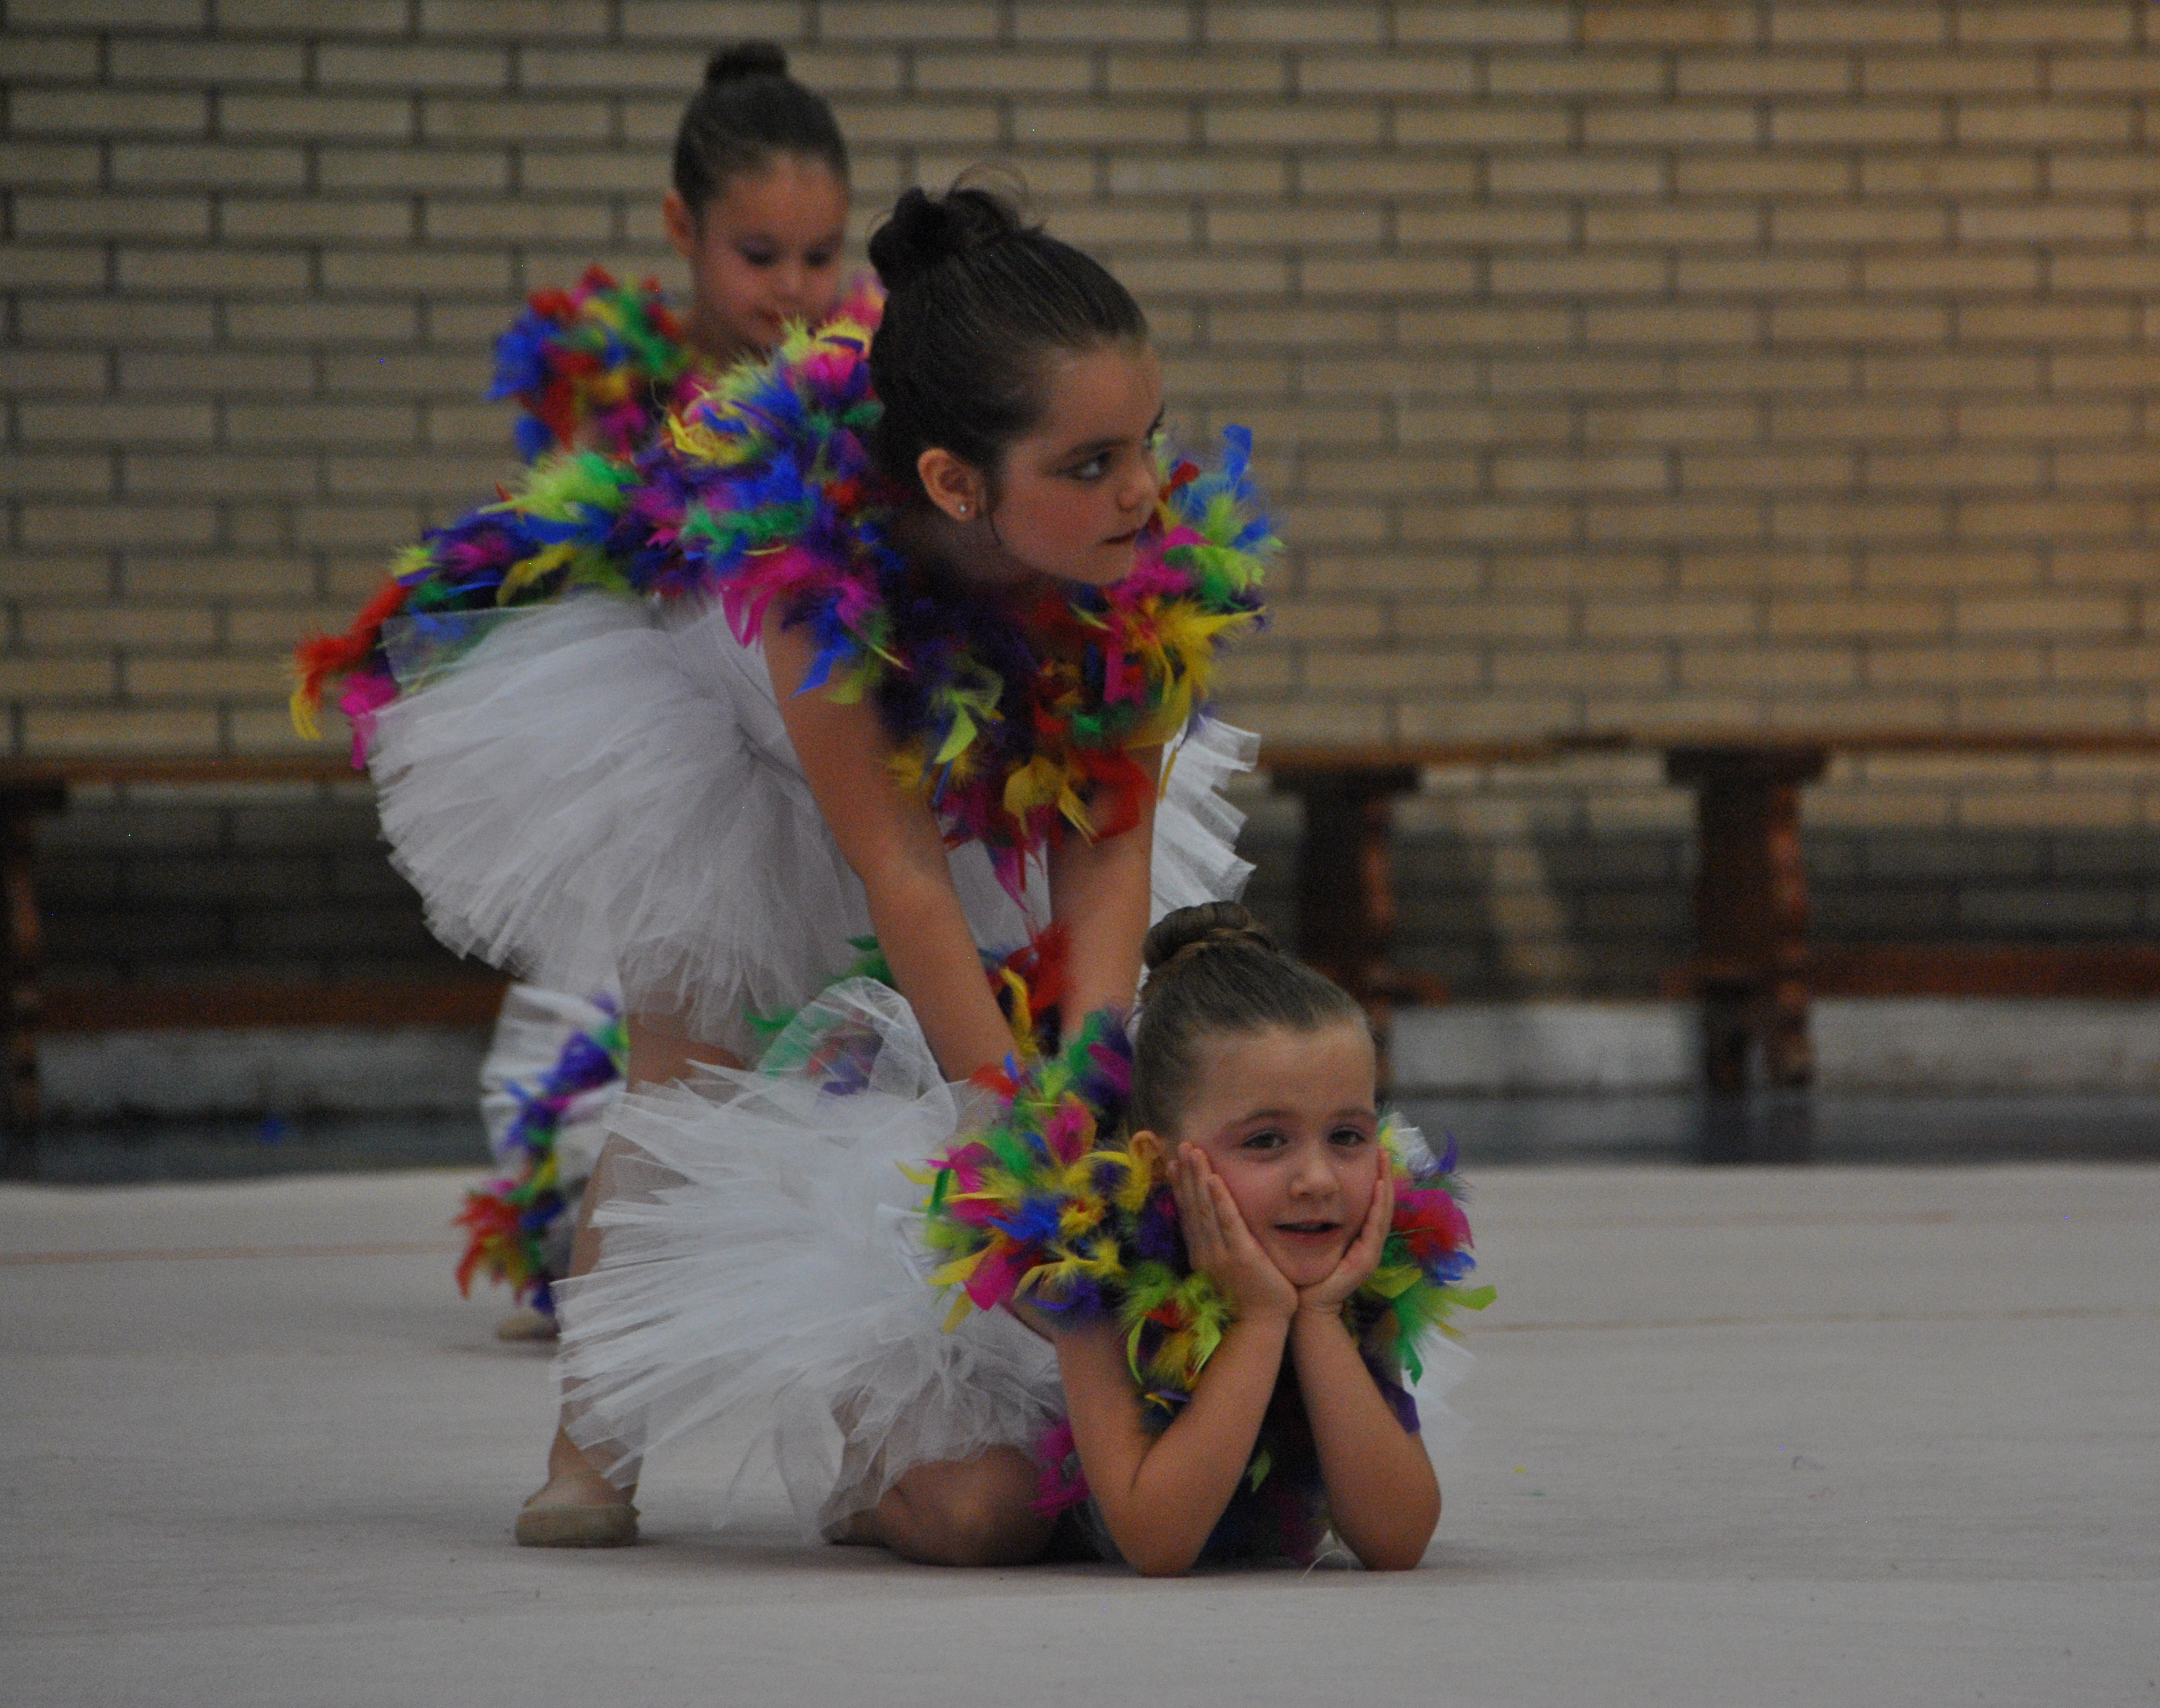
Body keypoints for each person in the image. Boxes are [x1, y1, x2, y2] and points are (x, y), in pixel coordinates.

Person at [292, 178, 1270, 1547]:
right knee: (684, 1077)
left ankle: (943, 1431)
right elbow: (903, 877)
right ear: (953, 481)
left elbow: (1102, 855)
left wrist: (1082, 1098)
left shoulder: (1145, 584)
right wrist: (1003, 1102)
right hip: (736, 748)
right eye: (1091, 463)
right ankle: (594, 1447)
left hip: (973, 757)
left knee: (1043, 1055)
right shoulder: (816, 593)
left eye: (1147, 442)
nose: (1144, 491)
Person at [554, 903, 1492, 1574]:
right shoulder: (1089, 1248)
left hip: (1164, 1453)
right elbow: (1155, 1541)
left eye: (1348, 1135)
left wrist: (1321, 1316)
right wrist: (1257, 1323)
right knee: (986, 1519)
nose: (1318, 1178)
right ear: (1163, 1162)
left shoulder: (1357, 1246)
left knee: (1265, 1516)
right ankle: (873, 1483)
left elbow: (1398, 1538)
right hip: (1009, 1382)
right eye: (1266, 1142)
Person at [448, 41, 856, 1343]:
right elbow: (569, 551)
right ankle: (609, 1230)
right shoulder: (616, 391)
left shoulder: (846, 386)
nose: (792, 289)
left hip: (798, 751)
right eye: (758, 254)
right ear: (683, 229)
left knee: (799, 1010)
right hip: (651, 755)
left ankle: (764, 1229)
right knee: (626, 1027)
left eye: (819, 255)